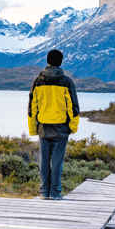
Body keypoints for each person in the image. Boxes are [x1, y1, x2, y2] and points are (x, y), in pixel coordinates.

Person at [28, 49, 79, 200]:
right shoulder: (66, 81)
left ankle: (44, 192)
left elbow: (32, 108)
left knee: (44, 161)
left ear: (47, 61)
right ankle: (55, 193)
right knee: (57, 162)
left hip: (43, 127)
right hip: (62, 128)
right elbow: (73, 107)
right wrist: (73, 127)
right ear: (61, 62)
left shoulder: (38, 81)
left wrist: (33, 128)